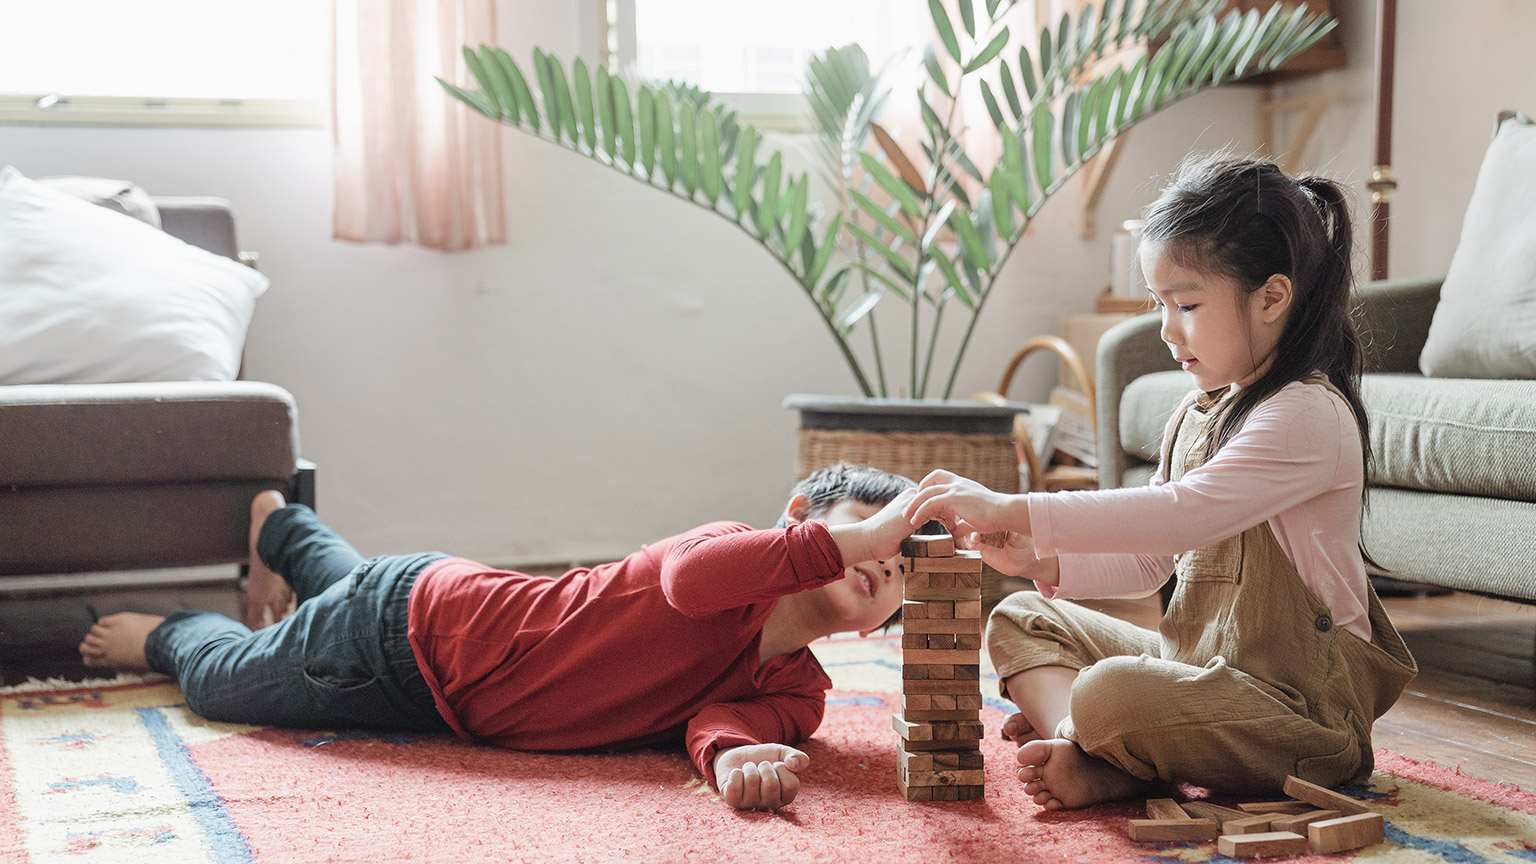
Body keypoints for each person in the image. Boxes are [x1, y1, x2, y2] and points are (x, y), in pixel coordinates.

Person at [904, 155, 1418, 810]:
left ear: (1271, 297)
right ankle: (1102, 747)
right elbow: (1154, 561)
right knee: (1020, 615)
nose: (1168, 331)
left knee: (1107, 692)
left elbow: (1180, 515)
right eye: (1159, 305)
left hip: (1302, 717)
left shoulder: (1306, 415)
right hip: (1201, 674)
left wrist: (1015, 506)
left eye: (1188, 305)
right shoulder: (1197, 412)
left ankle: (1090, 740)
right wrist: (1041, 558)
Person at [79, 462, 918, 811]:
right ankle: (174, 631)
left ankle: (284, 528)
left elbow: (719, 723)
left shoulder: (799, 691)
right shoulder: (724, 550)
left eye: (907, 567)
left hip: (431, 631)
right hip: (409, 640)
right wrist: (860, 537)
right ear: (804, 518)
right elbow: (684, 585)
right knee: (222, 685)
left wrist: (732, 759)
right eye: (876, 532)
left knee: (345, 585)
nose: (889, 559)